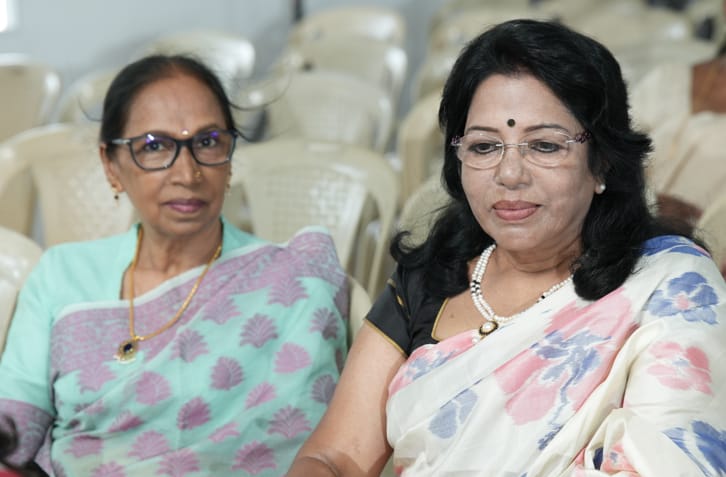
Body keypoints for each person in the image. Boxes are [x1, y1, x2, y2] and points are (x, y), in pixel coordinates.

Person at [287, 19, 726, 476]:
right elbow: (333, 457)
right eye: (484, 147)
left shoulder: (671, 291)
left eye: (544, 145)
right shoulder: (428, 280)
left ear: (602, 163)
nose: (510, 174)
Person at [0, 54, 349, 476]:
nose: (187, 173)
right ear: (111, 165)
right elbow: (13, 430)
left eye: (208, 142)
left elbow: (318, 451)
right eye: (154, 146)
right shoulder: (62, 274)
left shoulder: (291, 281)